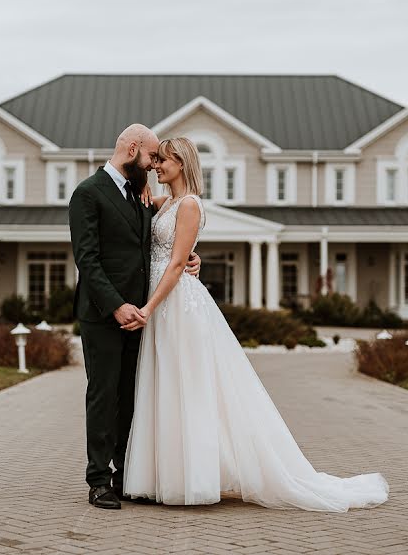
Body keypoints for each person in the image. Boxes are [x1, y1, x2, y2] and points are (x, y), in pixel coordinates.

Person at [122, 137, 389, 512]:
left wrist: (148, 308)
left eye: (162, 161)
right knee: (165, 383)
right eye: (156, 162)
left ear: (181, 163)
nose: (157, 166)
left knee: (190, 387)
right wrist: (145, 179)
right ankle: (164, 475)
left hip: (177, 305)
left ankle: (193, 478)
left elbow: (178, 263)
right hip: (165, 304)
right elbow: (153, 228)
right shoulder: (165, 203)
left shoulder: (191, 205)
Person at [68, 124, 201, 510]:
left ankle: (128, 474)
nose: (154, 163)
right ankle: (98, 480)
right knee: (103, 395)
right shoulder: (87, 194)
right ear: (131, 149)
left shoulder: (140, 195)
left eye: (160, 159)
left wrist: (192, 257)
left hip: (143, 315)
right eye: (151, 156)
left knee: (132, 395)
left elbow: (165, 239)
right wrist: (116, 305)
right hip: (104, 314)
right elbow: (87, 261)